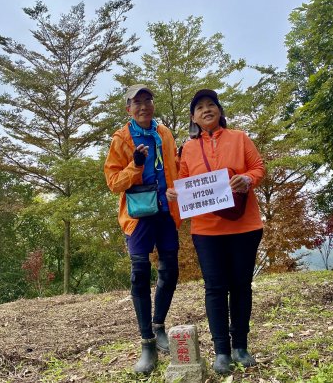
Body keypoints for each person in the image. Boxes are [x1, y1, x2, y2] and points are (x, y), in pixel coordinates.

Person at [166, 89, 265, 375]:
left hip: (245, 225)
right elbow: (184, 183)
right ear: (193, 118)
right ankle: (222, 350)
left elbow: (258, 168)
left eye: (211, 104)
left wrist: (247, 178)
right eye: (200, 107)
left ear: (220, 111)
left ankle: (240, 347)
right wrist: (175, 193)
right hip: (206, 230)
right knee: (215, 288)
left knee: (241, 286)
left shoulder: (240, 138)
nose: (206, 109)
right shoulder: (188, 148)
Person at [104, 84, 182, 374]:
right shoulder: (122, 139)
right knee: (139, 275)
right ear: (128, 109)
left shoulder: (164, 134)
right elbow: (114, 183)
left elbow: (174, 166)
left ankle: (159, 325)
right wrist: (135, 166)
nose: (144, 106)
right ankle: (147, 344)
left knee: (170, 271)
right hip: (138, 216)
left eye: (147, 100)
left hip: (165, 212)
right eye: (137, 102)